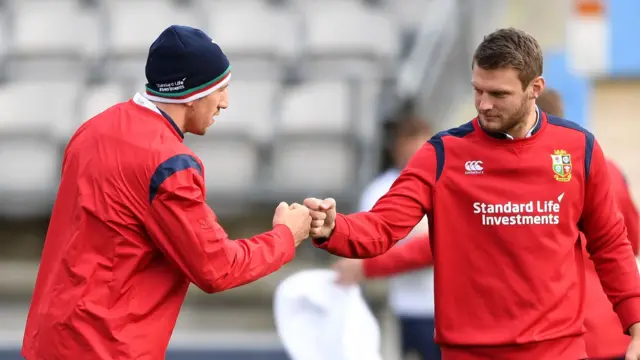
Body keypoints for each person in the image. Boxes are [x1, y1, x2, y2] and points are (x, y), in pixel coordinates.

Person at [303, 27, 640, 359]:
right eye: (478, 90)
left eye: (499, 94)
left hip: (558, 350)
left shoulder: (578, 148)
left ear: (535, 88)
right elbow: (383, 226)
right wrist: (335, 228)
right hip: (469, 352)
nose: (484, 104)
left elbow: (610, 243)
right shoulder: (443, 154)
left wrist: (636, 323)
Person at [22, 25, 312, 360]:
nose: (225, 103)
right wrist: (286, 236)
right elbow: (217, 268)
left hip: (49, 340)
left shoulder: (91, 130)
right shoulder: (170, 163)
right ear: (192, 95)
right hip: (108, 348)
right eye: (220, 89)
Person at [537, 88, 640, 360]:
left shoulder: (514, 179)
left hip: (553, 333)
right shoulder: (607, 169)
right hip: (612, 325)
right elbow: (632, 242)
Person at [332, 115, 439, 360]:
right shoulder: (381, 190)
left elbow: (434, 247)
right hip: (401, 306)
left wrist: (369, 265)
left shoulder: (449, 183)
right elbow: (366, 242)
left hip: (448, 309)